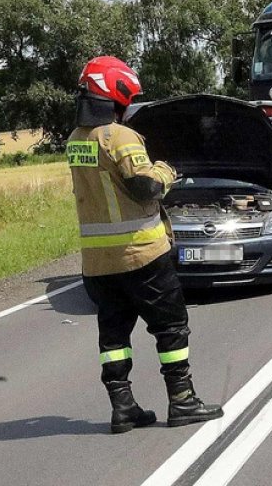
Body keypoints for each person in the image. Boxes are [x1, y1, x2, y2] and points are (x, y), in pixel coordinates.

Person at [66, 56, 223, 434]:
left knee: (114, 335)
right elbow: (145, 187)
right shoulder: (119, 137)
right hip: (141, 254)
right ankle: (182, 400)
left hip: (98, 263)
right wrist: (166, 171)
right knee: (171, 327)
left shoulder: (75, 141)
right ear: (116, 93)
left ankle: (124, 409)